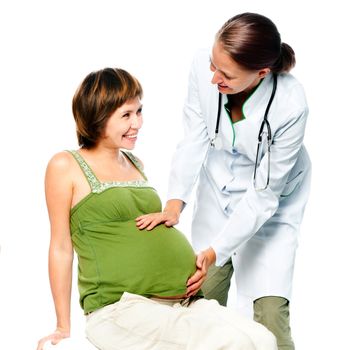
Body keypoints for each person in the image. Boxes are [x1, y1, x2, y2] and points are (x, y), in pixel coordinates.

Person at [37, 67, 277, 350]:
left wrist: (188, 266)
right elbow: (61, 248)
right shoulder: (66, 165)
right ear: (97, 115)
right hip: (122, 309)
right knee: (232, 343)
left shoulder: (135, 163)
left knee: (264, 339)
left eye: (139, 112)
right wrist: (62, 326)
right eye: (126, 115)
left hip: (184, 302)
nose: (137, 123)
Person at [136, 13, 311, 350]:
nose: (214, 77)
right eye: (213, 66)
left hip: (274, 205)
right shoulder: (203, 65)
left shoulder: (290, 104)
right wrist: (174, 205)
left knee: (271, 312)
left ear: (261, 73)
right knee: (200, 300)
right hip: (219, 188)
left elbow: (263, 195)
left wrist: (217, 250)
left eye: (226, 75)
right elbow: (194, 137)